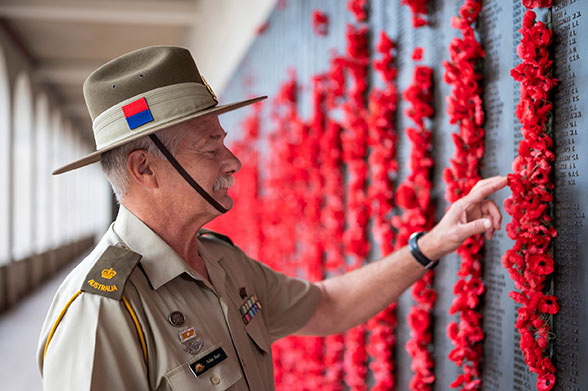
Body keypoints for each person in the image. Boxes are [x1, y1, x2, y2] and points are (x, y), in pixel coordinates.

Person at [36, 46, 506, 391]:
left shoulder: (220, 263)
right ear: (145, 168)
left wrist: (432, 244)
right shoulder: (101, 310)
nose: (233, 162)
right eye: (210, 147)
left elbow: (327, 307)